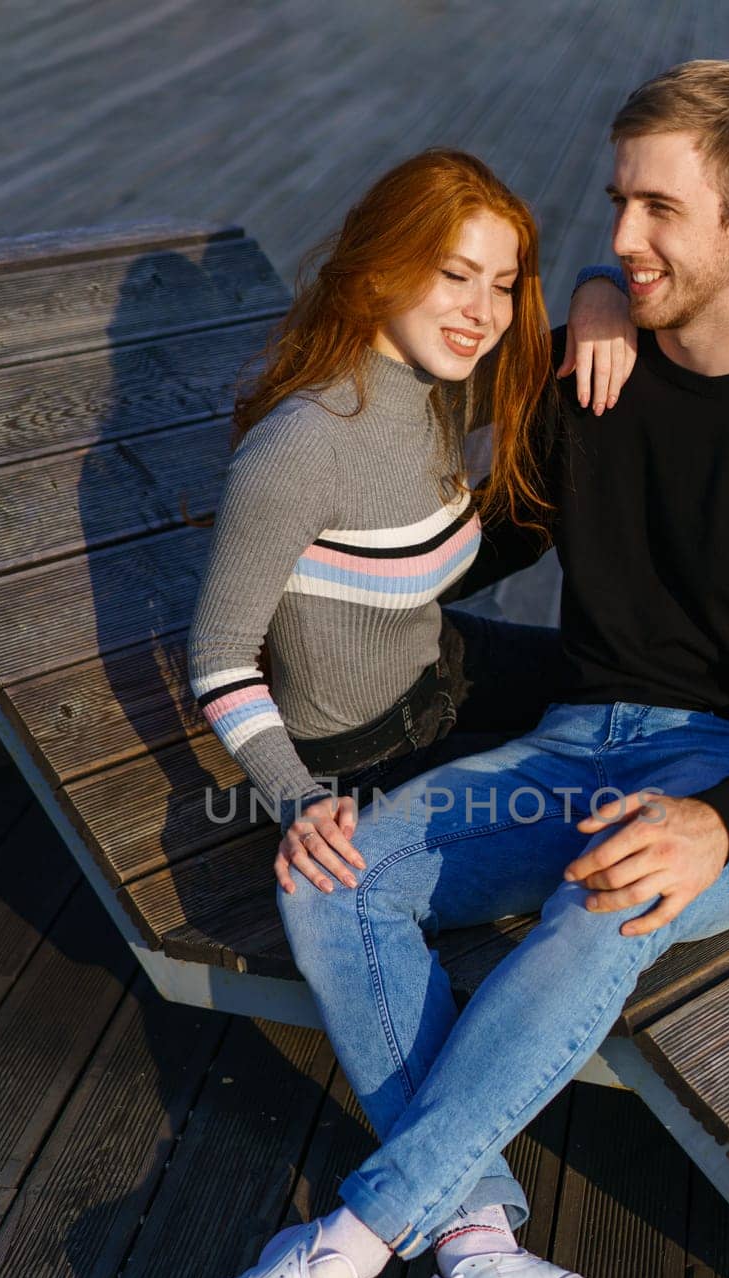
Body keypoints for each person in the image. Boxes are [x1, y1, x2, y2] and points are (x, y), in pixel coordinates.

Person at [176, 61, 729, 1278]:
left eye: (654, 213)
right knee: (331, 871)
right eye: (614, 204)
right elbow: (467, 534)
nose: (621, 240)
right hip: (574, 740)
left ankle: (337, 1255)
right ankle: (482, 1258)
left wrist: (713, 824)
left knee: (607, 886)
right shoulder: (594, 372)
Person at [186, 147, 635, 897]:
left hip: (445, 673)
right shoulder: (300, 447)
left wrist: (601, 286)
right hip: (365, 768)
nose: (482, 314)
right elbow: (218, 656)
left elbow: (563, 360)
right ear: (378, 270)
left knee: (638, 695)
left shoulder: (437, 384)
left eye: (501, 285)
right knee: (607, 800)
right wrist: (300, 802)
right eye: (455, 275)